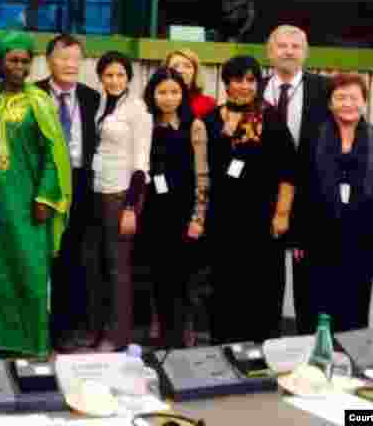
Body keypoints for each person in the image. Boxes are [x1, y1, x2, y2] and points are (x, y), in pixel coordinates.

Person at [0, 31, 72, 358]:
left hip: (28, 201)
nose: (18, 66)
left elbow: (55, 154)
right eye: (12, 60)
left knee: (30, 270)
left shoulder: (40, 102)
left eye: (24, 61)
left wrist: (46, 197)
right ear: (0, 62)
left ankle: (32, 343)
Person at [295, 74, 373, 332]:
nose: (347, 103)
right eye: (340, 97)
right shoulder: (312, 138)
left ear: (364, 102)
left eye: (354, 97)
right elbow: (301, 189)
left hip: (362, 242)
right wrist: (297, 237)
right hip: (317, 241)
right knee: (315, 311)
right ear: (330, 103)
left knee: (353, 313)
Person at [204, 55, 297, 344]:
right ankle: (224, 345)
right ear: (226, 83)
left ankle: (261, 348)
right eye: (237, 80)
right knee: (224, 285)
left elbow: (288, 171)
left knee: (262, 286)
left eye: (250, 80)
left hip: (262, 218)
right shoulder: (210, 120)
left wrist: (282, 214)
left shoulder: (270, 118)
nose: (244, 86)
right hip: (222, 218)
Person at [263, 25, 332, 334]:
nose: (288, 51)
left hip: (310, 195)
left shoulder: (326, 89)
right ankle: (266, 336)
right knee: (267, 274)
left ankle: (308, 341)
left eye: (295, 46)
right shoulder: (255, 87)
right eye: (282, 45)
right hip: (265, 195)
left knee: (309, 279)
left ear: (305, 52)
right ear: (270, 51)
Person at [83, 51, 153, 352]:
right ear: (101, 77)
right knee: (95, 264)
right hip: (97, 190)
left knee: (118, 267)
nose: (114, 80)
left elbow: (141, 163)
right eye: (108, 75)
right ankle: (96, 329)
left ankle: (118, 335)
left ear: (128, 78)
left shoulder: (137, 109)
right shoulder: (101, 103)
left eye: (120, 75)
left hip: (122, 193)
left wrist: (129, 208)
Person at [35, 34, 100, 352]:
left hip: (80, 185)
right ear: (49, 61)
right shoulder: (33, 93)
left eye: (76, 59)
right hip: (43, 184)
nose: (71, 65)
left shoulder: (91, 97)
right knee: (39, 256)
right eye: (64, 58)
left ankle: (63, 330)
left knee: (70, 260)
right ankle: (35, 328)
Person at [138, 67, 209, 350]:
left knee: (183, 278)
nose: (169, 98)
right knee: (156, 275)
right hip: (154, 211)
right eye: (162, 92)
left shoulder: (194, 125)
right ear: (153, 95)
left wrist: (198, 216)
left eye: (175, 92)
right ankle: (160, 332)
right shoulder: (146, 125)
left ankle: (182, 335)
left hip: (183, 212)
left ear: (184, 94)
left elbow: (202, 174)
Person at [164, 48, 217, 119]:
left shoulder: (208, 104)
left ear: (195, 72)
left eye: (187, 66)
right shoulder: (159, 101)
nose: (180, 70)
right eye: (175, 66)